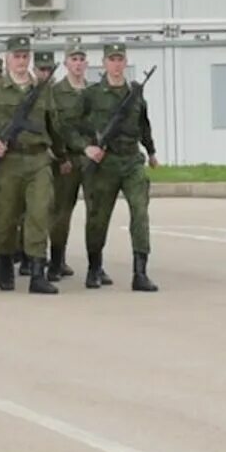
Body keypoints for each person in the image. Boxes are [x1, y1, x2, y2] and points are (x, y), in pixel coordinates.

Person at [0, 34, 70, 295]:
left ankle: (37, 273)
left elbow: (53, 126)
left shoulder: (42, 89)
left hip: (38, 159)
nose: (22, 61)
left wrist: (62, 156)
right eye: (17, 56)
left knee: (39, 213)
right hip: (8, 162)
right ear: (8, 58)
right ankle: (3, 265)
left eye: (25, 56)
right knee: (5, 216)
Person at [77, 42, 160, 291]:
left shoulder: (135, 92)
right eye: (111, 60)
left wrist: (152, 151)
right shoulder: (91, 94)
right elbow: (72, 125)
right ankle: (94, 267)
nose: (116, 64)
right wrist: (87, 147)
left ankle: (140, 272)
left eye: (120, 59)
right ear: (103, 63)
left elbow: (144, 124)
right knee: (98, 217)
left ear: (125, 62)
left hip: (132, 160)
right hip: (105, 163)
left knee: (140, 212)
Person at [47, 42, 92, 281]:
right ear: (66, 63)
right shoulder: (55, 92)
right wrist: (60, 154)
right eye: (73, 59)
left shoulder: (93, 91)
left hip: (91, 159)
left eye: (81, 59)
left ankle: (96, 264)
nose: (77, 63)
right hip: (66, 160)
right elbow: (53, 126)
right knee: (61, 212)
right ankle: (56, 261)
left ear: (87, 63)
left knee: (95, 212)